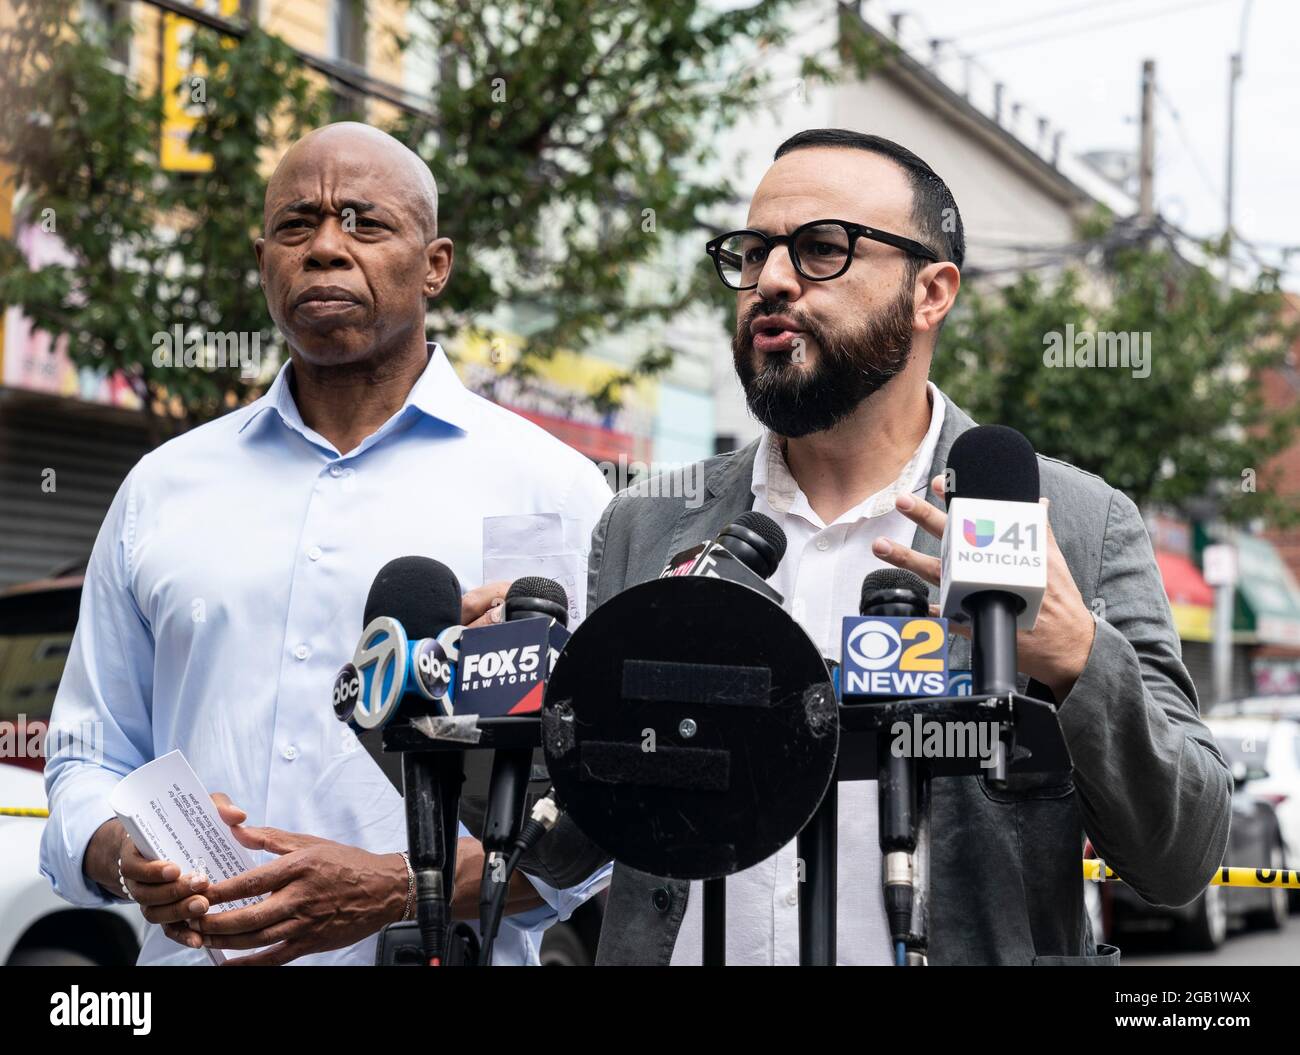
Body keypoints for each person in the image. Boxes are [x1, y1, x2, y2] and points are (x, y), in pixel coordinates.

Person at [526, 128, 1231, 965]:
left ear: (932, 291)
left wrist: (1080, 659)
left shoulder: (1076, 522)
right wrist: (460, 718)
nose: (772, 280)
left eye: (822, 248)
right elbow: (561, 842)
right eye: (751, 254)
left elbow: (1182, 856)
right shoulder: (648, 526)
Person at [40, 123, 612, 966]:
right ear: (265, 257)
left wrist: (394, 885)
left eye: (364, 222)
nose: (325, 248)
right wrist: (123, 853)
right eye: (297, 224)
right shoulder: (161, 489)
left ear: (436, 264)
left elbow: (594, 819)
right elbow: (87, 757)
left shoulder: (551, 492)